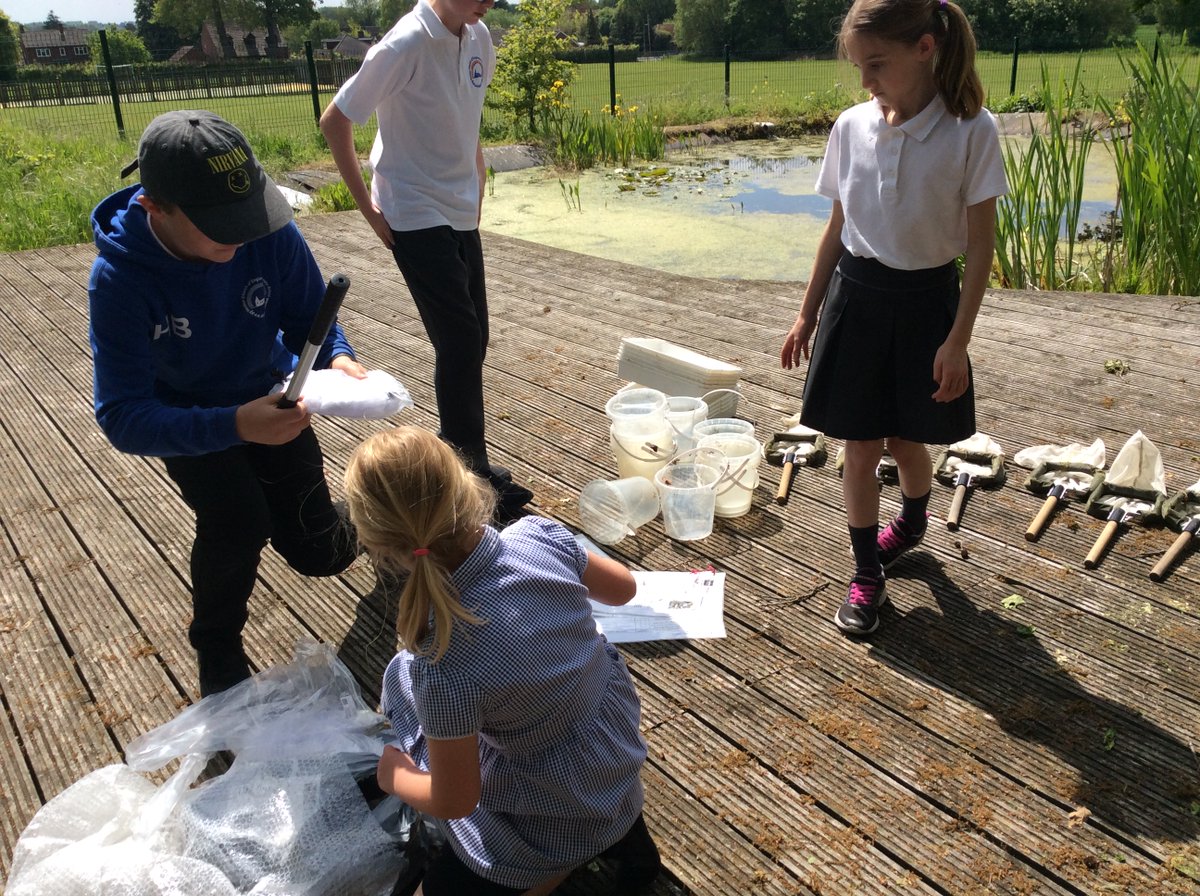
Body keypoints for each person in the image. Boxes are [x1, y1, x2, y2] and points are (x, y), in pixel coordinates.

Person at [89, 110, 368, 696]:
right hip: (191, 419)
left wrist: (335, 358)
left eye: (251, 215)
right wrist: (235, 424)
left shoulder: (267, 234)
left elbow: (308, 317)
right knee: (238, 521)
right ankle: (216, 645)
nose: (243, 236)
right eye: (222, 226)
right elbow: (122, 416)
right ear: (155, 208)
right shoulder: (120, 280)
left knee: (322, 553)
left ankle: (378, 527)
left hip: (273, 396)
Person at [343, 426, 661, 896]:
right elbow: (625, 588)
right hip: (614, 758)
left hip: (549, 802)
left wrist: (393, 775)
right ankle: (617, 847)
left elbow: (455, 798)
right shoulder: (541, 536)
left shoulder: (440, 665)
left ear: (377, 545)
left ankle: (547, 869)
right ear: (466, 485)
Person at [780, 0, 1007, 636]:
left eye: (876, 64)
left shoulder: (972, 131)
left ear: (926, 49)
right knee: (859, 442)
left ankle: (911, 519)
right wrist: (806, 314)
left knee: (908, 441)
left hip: (928, 304)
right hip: (856, 301)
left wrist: (958, 341)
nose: (865, 81)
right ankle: (865, 572)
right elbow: (836, 227)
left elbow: (982, 244)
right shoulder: (851, 126)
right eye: (858, 66)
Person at [319, 0, 534, 523]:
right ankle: (469, 477)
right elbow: (336, 120)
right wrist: (368, 210)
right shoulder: (405, 43)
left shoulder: (479, 37)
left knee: (474, 337)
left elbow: (467, 117)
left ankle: (462, 465)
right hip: (411, 208)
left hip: (460, 205)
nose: (491, 3)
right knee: (458, 339)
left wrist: (477, 177)